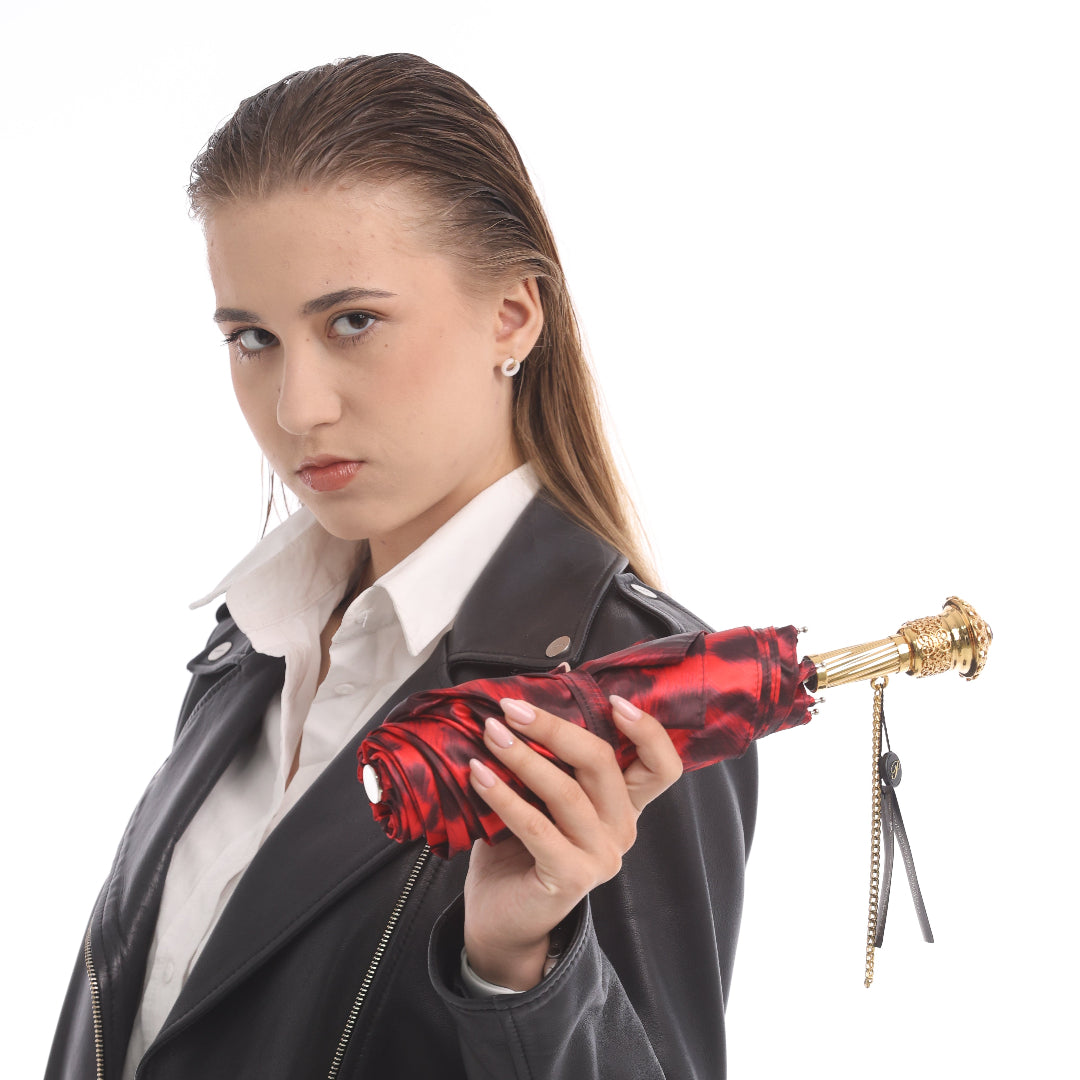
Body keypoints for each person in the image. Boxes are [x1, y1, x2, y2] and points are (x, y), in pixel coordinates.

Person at [46, 53, 757, 1079]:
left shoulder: (629, 691)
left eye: (353, 323)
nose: (298, 410)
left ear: (513, 314)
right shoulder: (255, 641)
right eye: (253, 338)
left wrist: (519, 971)